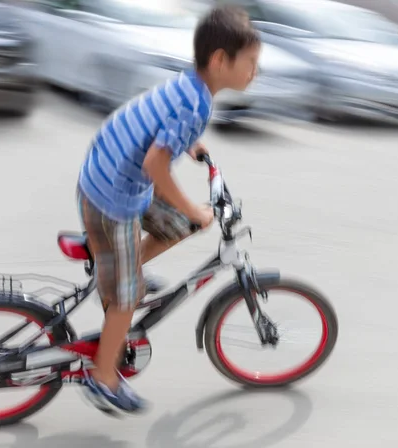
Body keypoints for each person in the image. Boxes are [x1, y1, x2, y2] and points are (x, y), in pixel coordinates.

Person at [75, 4, 261, 415]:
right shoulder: (195, 106)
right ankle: (102, 376)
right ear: (219, 61)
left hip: (108, 173)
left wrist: (190, 146)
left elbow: (159, 126)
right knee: (127, 300)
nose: (256, 72)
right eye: (251, 63)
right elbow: (155, 164)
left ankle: (126, 272)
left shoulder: (190, 86)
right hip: (112, 199)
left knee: (179, 225)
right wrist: (194, 206)